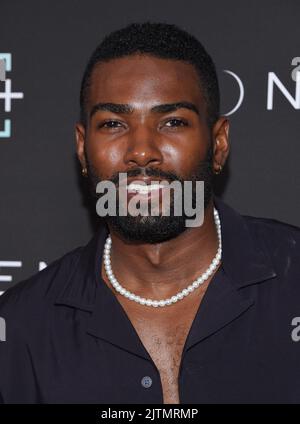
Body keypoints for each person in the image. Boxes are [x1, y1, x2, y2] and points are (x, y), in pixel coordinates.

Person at [0, 22, 300, 405]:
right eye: (113, 124)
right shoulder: (19, 330)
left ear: (219, 142)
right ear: (82, 148)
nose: (142, 151)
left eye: (172, 122)